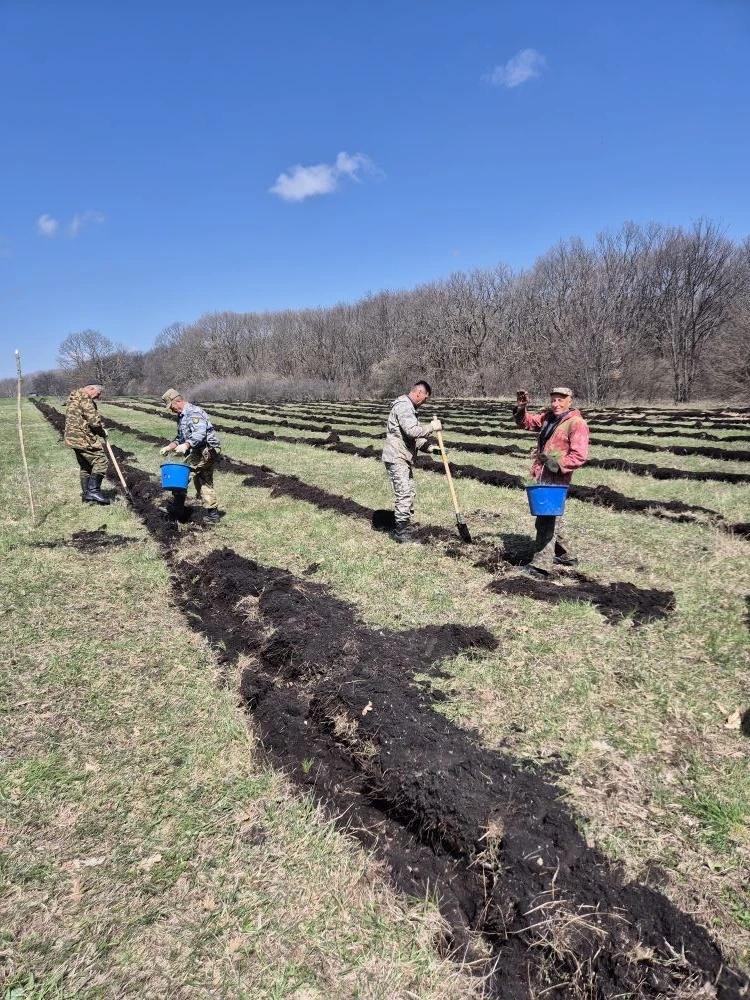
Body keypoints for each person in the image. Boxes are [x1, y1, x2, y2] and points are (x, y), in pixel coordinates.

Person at [512, 386, 589, 575]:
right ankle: (566, 555)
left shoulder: (576, 423)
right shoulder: (549, 418)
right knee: (551, 516)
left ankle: (540, 566)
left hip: (556, 477)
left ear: (570, 400)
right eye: (553, 400)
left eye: (560, 400)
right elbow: (527, 422)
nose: (556, 404)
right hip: (542, 474)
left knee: (546, 520)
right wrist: (522, 408)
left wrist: (553, 462)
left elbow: (579, 456)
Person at [382, 380, 441, 543]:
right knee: (404, 493)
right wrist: (431, 427)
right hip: (397, 457)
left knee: (409, 492)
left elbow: (413, 439)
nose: (425, 402)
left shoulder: (410, 408)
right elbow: (413, 431)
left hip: (403, 456)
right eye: (425, 398)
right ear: (418, 393)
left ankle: (404, 525)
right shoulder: (404, 406)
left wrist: (431, 448)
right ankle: (401, 533)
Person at [159, 389, 222, 523]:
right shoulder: (181, 416)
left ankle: (178, 510)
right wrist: (169, 447)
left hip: (205, 451)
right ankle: (211, 514)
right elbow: (180, 437)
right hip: (196, 452)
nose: (171, 410)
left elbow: (200, 433)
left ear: (178, 401)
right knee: (199, 480)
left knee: (185, 478)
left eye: (171, 406)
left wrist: (187, 445)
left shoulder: (194, 412)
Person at [64, 384, 110, 505]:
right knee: (101, 461)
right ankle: (93, 491)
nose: (98, 397)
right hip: (82, 438)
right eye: (98, 394)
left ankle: (86, 494)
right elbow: (94, 421)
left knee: (86, 466)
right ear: (91, 389)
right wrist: (102, 432)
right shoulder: (85, 399)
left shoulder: (74, 397)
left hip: (72, 438)